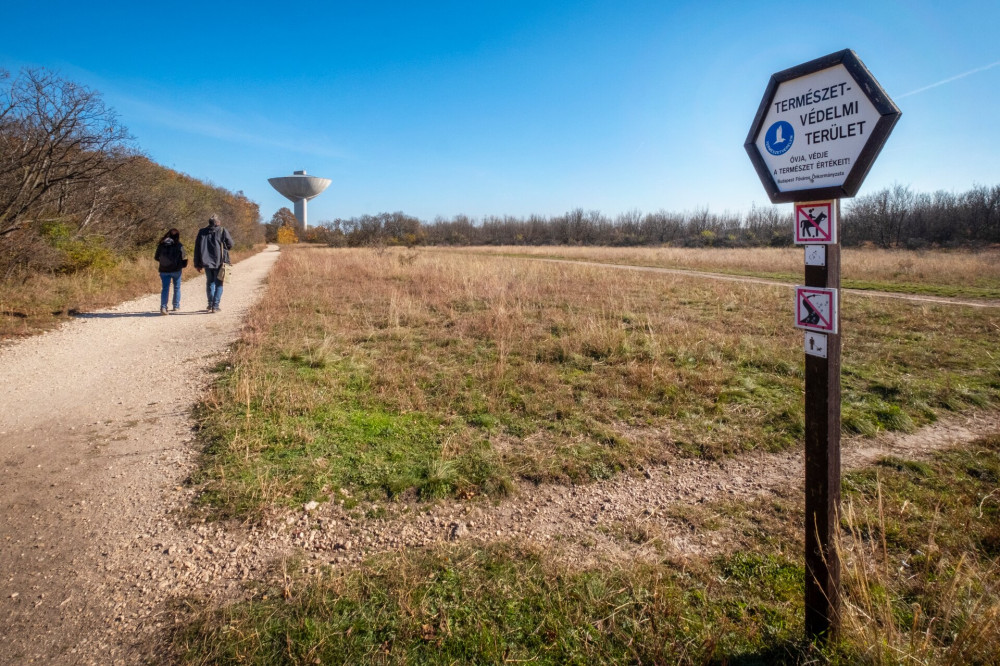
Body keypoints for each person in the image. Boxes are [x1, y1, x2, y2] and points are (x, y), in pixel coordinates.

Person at [193, 214, 234, 313]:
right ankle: (215, 307)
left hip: (206, 262)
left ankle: (210, 304)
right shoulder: (222, 231)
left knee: (209, 282)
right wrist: (224, 249)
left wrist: (197, 264)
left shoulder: (202, 232)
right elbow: (231, 244)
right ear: (217, 222)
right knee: (219, 284)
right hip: (219, 262)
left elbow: (197, 249)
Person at [154, 228, 187, 315]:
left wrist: (164, 263)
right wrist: (182, 265)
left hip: (164, 270)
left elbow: (156, 257)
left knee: (165, 288)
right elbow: (184, 257)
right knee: (177, 287)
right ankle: (176, 306)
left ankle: (163, 307)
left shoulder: (161, 245)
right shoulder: (179, 245)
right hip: (176, 270)